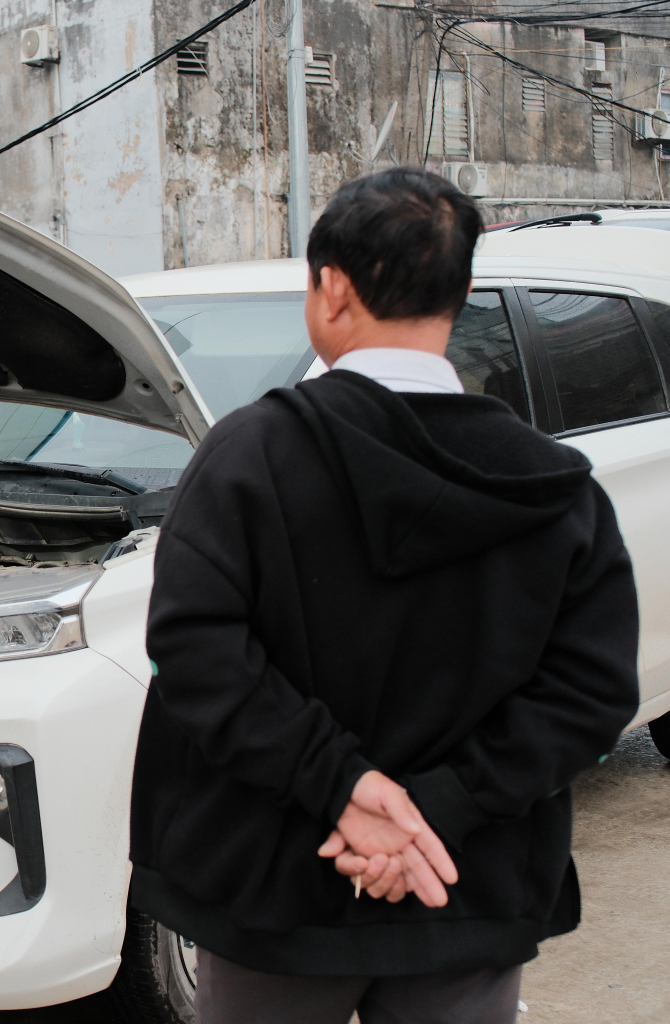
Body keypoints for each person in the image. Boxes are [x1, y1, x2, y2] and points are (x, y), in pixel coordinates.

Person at [129, 167, 640, 1024]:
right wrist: (434, 812)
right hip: (464, 884)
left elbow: (195, 650)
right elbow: (590, 693)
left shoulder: (251, 456)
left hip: (272, 892)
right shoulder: (558, 489)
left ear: (331, 288)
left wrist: (345, 790)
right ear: (463, 293)